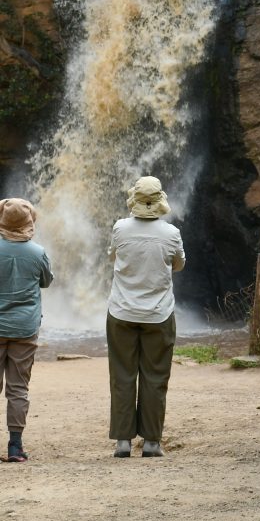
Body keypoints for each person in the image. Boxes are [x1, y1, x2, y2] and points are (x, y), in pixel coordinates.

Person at [107, 176, 185, 458]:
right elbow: (178, 265)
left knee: (122, 375)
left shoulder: (120, 228)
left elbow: (112, 257)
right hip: (159, 314)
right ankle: (152, 443)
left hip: (121, 311)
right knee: (155, 377)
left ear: (134, 200)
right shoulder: (172, 233)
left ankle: (123, 443)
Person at [0, 197, 53, 462]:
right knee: (18, 388)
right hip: (24, 327)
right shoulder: (37, 252)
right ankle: (15, 447)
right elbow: (46, 281)